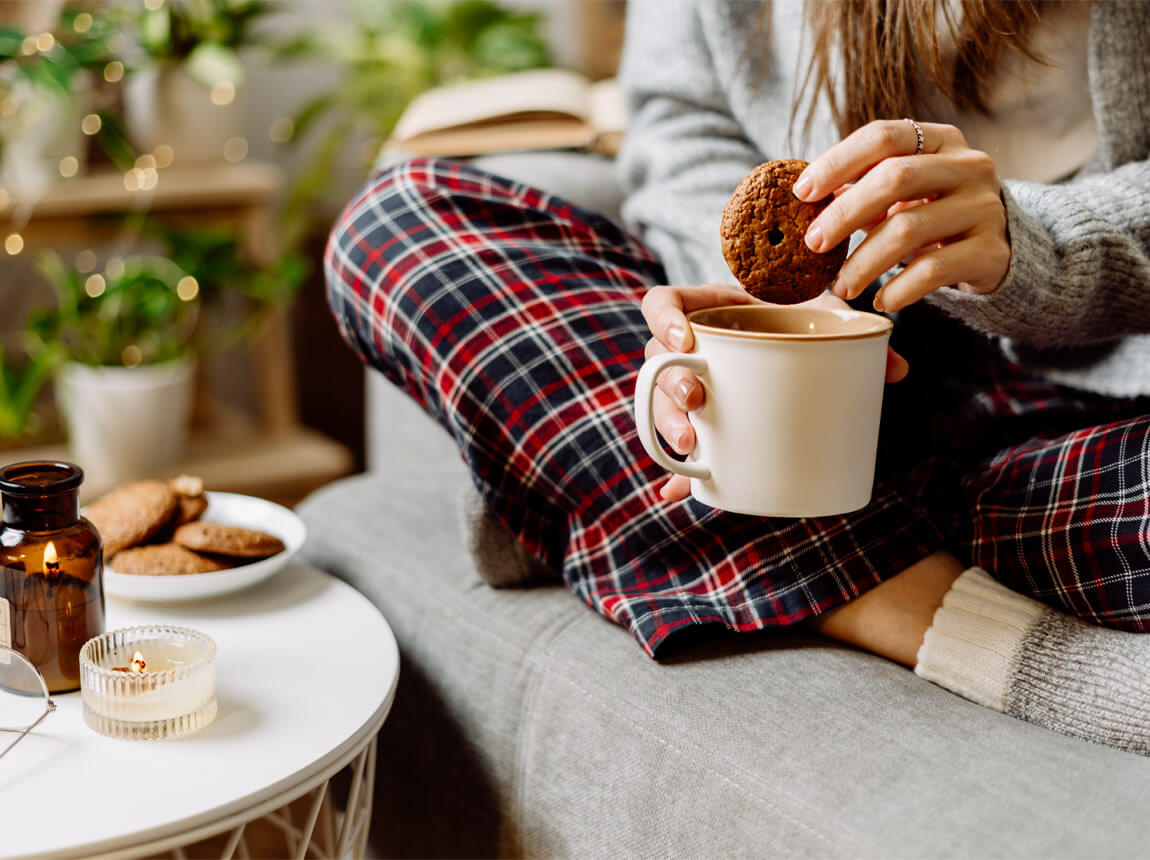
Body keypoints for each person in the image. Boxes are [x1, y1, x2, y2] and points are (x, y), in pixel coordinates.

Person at [325, 0, 1150, 755]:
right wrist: (767, 323)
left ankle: (622, 495)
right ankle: (949, 620)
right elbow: (683, 125)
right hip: (795, 384)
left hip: (1089, 398)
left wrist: (1038, 244)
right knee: (394, 225)